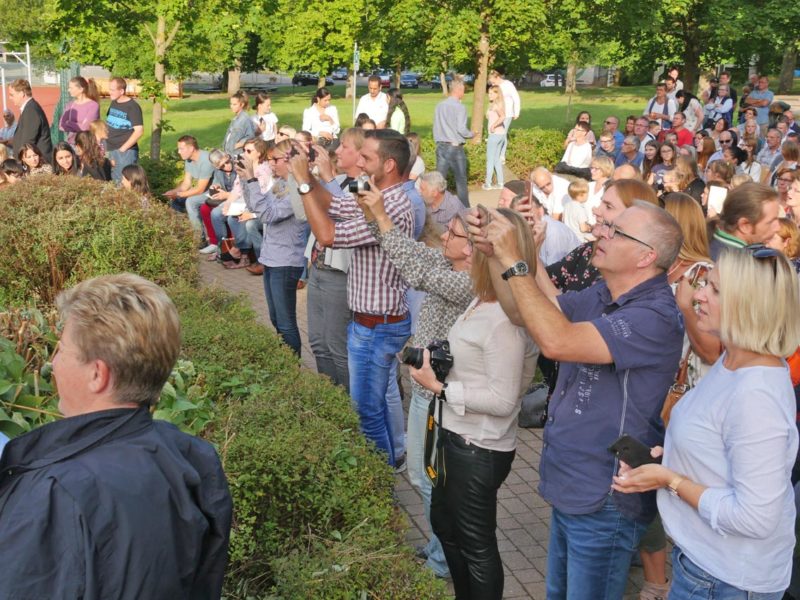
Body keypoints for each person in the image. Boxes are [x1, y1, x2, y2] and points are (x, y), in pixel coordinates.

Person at [474, 199, 684, 600]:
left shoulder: (654, 316)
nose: (599, 232)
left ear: (646, 256)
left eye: (615, 230)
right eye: (605, 225)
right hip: (576, 482)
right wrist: (494, 255)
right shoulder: (603, 292)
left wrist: (515, 261)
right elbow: (524, 312)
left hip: (605, 493)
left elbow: (557, 341)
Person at [0, 273, 232, 599]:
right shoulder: (193, 458)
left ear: (98, 374)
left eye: (61, 349)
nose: (52, 363)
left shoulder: (55, 494)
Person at [613, 247, 800, 599]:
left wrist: (671, 479)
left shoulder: (756, 394)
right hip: (705, 563)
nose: (697, 295)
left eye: (714, 289)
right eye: (704, 284)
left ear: (748, 305)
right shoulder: (733, 359)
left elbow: (755, 518)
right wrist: (669, 458)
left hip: (727, 578)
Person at [409, 208, 539, 600]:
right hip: (456, 437)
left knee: (476, 544)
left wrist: (441, 388)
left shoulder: (505, 317)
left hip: (479, 447)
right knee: (446, 527)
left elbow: (503, 399)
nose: (469, 251)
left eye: (478, 245)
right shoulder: (482, 300)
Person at [356, 190, 474, 582]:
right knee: (424, 476)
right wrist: (374, 214)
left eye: (454, 234)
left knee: (428, 479)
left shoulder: (467, 283)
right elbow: (409, 252)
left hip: (438, 394)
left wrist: (382, 219)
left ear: (473, 251)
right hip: (427, 391)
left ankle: (442, 559)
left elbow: (417, 272)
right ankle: (440, 548)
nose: (443, 236)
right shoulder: (449, 264)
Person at [288, 129, 414, 469]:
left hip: (378, 327)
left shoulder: (392, 204)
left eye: (366, 157)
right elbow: (337, 202)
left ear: (388, 164)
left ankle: (382, 485)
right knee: (370, 408)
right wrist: (314, 176)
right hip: (368, 323)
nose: (358, 161)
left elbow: (328, 235)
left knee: (368, 414)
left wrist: (303, 183)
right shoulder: (374, 190)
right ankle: (386, 470)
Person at [240, 140, 309, 356]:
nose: (271, 164)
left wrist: (252, 178)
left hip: (286, 262)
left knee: (286, 321)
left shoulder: (298, 189)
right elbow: (256, 207)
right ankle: (285, 363)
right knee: (275, 318)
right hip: (271, 259)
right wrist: (244, 179)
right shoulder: (280, 184)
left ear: (290, 161)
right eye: (270, 159)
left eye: (275, 160)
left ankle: (292, 368)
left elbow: (269, 215)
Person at [709, 182, 781, 259]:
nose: (778, 227)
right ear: (745, 225)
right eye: (770, 222)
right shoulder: (741, 266)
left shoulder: (707, 244)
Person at [433, 78, 474, 207]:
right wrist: (472, 134)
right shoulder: (460, 107)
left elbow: (436, 126)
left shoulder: (439, 105)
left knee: (439, 179)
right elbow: (461, 129)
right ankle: (465, 207)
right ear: (459, 90)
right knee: (461, 179)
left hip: (441, 145)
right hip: (455, 147)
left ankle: (436, 205)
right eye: (463, 90)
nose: (464, 92)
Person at [163, 135, 214, 239]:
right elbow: (186, 184)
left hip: (214, 192)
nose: (179, 152)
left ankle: (199, 238)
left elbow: (200, 189)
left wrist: (179, 194)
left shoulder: (206, 160)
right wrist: (173, 192)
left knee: (190, 201)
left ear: (191, 148)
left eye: (181, 149)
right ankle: (179, 233)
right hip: (204, 191)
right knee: (176, 202)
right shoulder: (189, 160)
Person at [105, 77, 143, 182]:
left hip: (125, 152)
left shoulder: (132, 107)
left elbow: (139, 131)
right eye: (110, 89)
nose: (109, 92)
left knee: (124, 183)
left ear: (121, 91)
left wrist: (122, 150)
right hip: (110, 149)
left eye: (112, 90)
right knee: (112, 181)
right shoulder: (114, 103)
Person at [9, 79, 52, 162]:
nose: (10, 98)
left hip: (38, 163)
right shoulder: (29, 108)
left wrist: (18, 161)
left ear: (22, 94)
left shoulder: (31, 110)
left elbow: (27, 141)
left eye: (12, 95)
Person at [488, 68, 521, 162]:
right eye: (491, 83)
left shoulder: (508, 85)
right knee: (496, 132)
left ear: (498, 77)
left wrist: (516, 112)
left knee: (503, 133)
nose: (493, 85)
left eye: (493, 82)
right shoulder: (495, 87)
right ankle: (495, 152)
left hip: (507, 113)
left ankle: (501, 155)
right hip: (497, 112)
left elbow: (516, 98)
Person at [58, 76, 100, 145]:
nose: (68, 90)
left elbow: (86, 128)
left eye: (71, 88)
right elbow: (61, 126)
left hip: (88, 145)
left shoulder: (93, 105)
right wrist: (79, 126)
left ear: (81, 89)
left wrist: (69, 123)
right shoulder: (70, 105)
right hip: (72, 144)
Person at [483, 84, 506, 190]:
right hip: (500, 135)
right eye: (489, 93)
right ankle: (500, 183)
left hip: (495, 135)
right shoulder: (494, 105)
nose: (489, 95)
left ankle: (488, 184)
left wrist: (493, 125)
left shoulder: (497, 106)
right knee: (496, 159)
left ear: (497, 94)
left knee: (490, 159)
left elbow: (503, 116)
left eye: (492, 93)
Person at [223, 90, 256, 156]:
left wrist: (238, 145)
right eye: (231, 104)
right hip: (229, 153)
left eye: (234, 104)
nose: (231, 106)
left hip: (237, 154)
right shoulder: (236, 118)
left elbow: (251, 136)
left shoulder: (245, 119)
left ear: (242, 104)